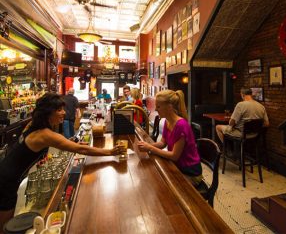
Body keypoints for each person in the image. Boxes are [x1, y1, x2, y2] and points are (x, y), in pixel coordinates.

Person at [0, 93, 122, 230]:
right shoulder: (45, 134)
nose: (64, 113)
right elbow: (82, 149)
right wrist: (110, 152)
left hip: (6, 171)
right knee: (6, 227)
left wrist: (65, 142)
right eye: (59, 110)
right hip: (7, 180)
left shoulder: (33, 125)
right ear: (48, 112)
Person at [137, 89, 202, 185]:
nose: (155, 109)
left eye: (158, 106)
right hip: (178, 166)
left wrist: (150, 148)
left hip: (190, 172)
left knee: (162, 185)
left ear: (169, 107)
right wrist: (147, 145)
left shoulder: (180, 125)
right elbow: (163, 143)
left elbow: (174, 156)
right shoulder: (168, 121)